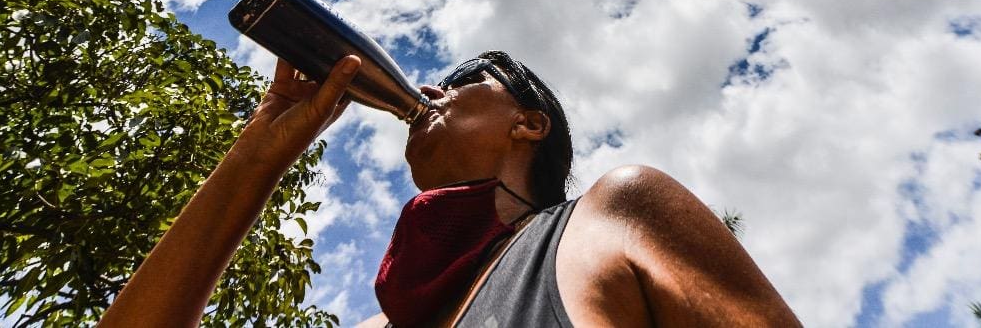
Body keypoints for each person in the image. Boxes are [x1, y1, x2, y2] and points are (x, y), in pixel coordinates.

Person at [101, 51, 800, 327]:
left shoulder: (616, 215)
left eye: (466, 77)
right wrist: (260, 150)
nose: (433, 88)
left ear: (530, 123)